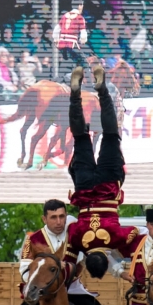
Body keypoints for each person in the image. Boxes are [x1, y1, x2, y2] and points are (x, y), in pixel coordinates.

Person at [64, 65, 140, 276]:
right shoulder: (77, 239)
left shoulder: (116, 239)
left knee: (110, 134)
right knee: (80, 137)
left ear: (106, 260)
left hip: (108, 186)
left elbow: (136, 232)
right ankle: (75, 95)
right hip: (85, 189)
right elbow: (69, 229)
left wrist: (118, 253)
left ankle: (103, 90)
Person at [53, 0, 88, 73]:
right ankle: (88, 79)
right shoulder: (80, 17)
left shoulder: (64, 16)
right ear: (79, 6)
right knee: (84, 63)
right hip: (71, 44)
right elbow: (83, 33)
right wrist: (83, 41)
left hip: (61, 44)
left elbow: (56, 29)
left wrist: (56, 39)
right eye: (82, 5)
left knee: (67, 60)